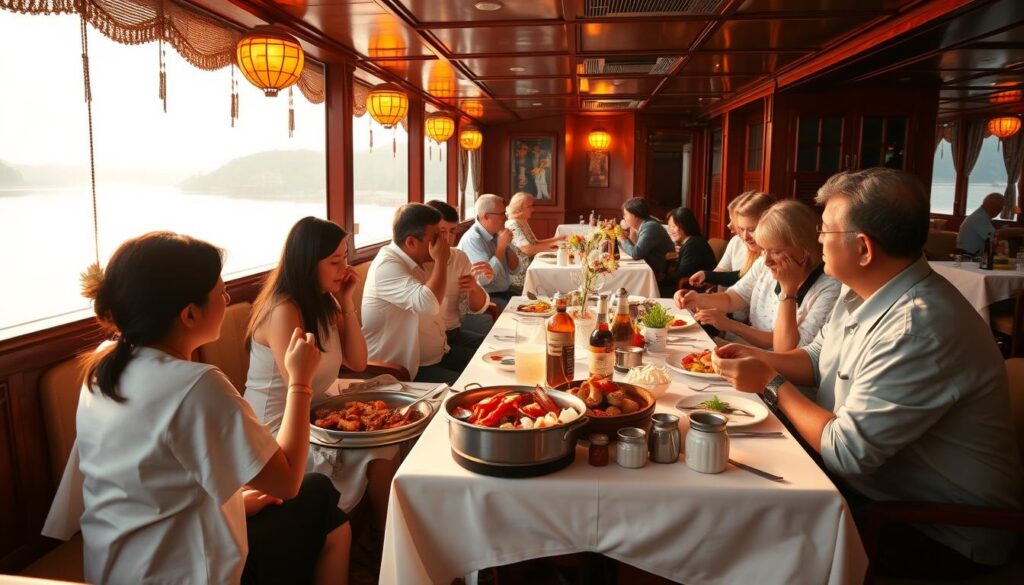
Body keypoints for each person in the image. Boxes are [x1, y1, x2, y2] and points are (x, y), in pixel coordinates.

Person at [711, 168, 1022, 579]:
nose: (817, 240)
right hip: (878, 494)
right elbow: (816, 359)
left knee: (749, 528)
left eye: (824, 232)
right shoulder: (860, 290)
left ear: (863, 248)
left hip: (937, 531)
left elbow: (847, 452)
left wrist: (770, 383)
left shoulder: (918, 326)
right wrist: (751, 356)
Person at [46, 232, 350, 585]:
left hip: (116, 567)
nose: (227, 297)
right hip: (185, 572)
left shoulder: (102, 369)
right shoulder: (197, 385)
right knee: (321, 500)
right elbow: (286, 482)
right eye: (220, 291)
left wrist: (235, 500)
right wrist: (299, 381)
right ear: (189, 314)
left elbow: (153, 476)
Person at [244, 217, 399, 539]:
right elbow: (297, 385)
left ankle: (384, 532)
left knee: (390, 433)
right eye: (335, 262)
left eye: (346, 258)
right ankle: (380, 537)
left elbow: (357, 362)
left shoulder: (324, 301)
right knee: (381, 445)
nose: (346, 268)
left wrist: (345, 302)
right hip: (279, 427)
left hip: (315, 411)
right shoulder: (283, 310)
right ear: (306, 263)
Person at [676, 200, 840, 351]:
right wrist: (697, 299)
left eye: (775, 251)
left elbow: (789, 351)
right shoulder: (763, 263)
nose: (766, 260)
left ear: (804, 251)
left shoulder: (829, 287)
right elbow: (733, 298)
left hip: (778, 370)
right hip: (748, 349)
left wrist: (788, 292)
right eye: (763, 249)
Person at [363, 203, 476, 383]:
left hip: (436, 357)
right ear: (411, 242)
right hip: (402, 370)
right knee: (470, 388)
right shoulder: (387, 265)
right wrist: (441, 260)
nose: (443, 242)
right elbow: (429, 304)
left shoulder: (417, 260)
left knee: (488, 366)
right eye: (435, 237)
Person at [425, 199, 493, 351]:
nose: (448, 238)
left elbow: (477, 308)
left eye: (453, 231)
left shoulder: (459, 257)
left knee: (499, 350)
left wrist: (474, 287)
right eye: (442, 232)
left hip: (454, 333)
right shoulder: (417, 263)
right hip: (429, 341)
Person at [689, 191, 776, 289]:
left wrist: (710, 277)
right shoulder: (736, 241)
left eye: (752, 229)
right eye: (742, 229)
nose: (729, 225)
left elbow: (741, 281)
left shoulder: (771, 256)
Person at [457, 194, 520, 308]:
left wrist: (506, 245)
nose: (506, 218)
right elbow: (484, 279)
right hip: (488, 297)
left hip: (506, 291)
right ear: (486, 216)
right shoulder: (473, 240)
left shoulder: (497, 234)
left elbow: (515, 270)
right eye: (502, 214)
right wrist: (501, 248)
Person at [505, 191, 566, 289]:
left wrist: (556, 239)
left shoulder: (522, 221)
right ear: (519, 208)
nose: (532, 209)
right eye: (529, 206)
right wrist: (553, 244)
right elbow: (526, 250)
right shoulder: (513, 224)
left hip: (533, 263)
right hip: (523, 273)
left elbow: (535, 242)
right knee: (557, 273)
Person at [660, 206, 717, 298]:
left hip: (695, 288)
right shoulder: (691, 241)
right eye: (669, 227)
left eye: (673, 226)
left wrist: (662, 278)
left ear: (684, 225)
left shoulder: (693, 245)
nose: (670, 230)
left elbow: (683, 273)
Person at [617, 197, 675, 279]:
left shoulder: (650, 227)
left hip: (657, 272)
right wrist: (628, 235)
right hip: (649, 267)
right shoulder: (645, 224)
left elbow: (636, 253)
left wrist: (622, 239)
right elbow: (636, 247)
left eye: (626, 214)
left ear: (635, 215)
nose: (624, 217)